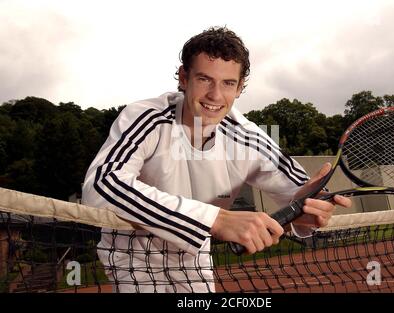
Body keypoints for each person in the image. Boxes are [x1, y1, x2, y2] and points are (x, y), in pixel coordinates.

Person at [81, 26, 351, 293]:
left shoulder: (249, 137)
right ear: (184, 78)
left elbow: (300, 198)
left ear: (240, 87)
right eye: (204, 79)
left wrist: (307, 209)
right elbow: (102, 184)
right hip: (131, 257)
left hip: (194, 258)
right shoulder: (147, 117)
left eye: (228, 83)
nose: (215, 95)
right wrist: (217, 220)